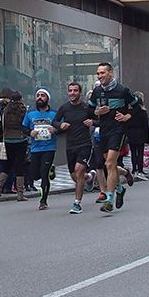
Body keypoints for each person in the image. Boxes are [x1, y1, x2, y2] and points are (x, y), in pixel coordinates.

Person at [88, 62, 138, 213]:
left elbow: (137, 107)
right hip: (103, 130)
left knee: (110, 163)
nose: (99, 76)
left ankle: (109, 199)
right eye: (98, 73)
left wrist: (127, 116)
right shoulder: (97, 91)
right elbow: (89, 111)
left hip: (118, 130)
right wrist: (97, 112)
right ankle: (120, 188)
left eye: (102, 73)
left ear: (111, 73)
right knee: (109, 165)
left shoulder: (122, 90)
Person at [52, 82, 94, 214]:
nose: (72, 93)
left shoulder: (86, 108)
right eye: (70, 91)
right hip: (70, 145)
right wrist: (61, 125)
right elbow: (54, 121)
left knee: (78, 170)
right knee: (74, 176)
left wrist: (93, 122)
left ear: (80, 92)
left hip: (85, 144)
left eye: (75, 90)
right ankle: (89, 177)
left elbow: (99, 120)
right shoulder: (64, 108)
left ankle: (77, 203)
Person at [22, 89, 57, 210]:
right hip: (35, 148)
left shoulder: (54, 114)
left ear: (47, 99)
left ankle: (43, 201)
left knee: (44, 173)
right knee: (35, 175)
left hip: (49, 148)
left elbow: (62, 127)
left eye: (43, 95)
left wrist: (55, 130)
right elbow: (23, 128)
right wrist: (30, 132)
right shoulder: (30, 114)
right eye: (38, 96)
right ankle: (51, 169)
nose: (40, 98)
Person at [2, 91, 29, 201]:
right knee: (19, 165)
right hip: (20, 139)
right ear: (21, 98)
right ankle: (20, 193)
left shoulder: (6, 109)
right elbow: (25, 124)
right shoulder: (22, 109)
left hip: (8, 139)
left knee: (8, 164)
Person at [0, 87, 15, 197]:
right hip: (6, 138)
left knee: (1, 163)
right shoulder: (6, 108)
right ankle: (7, 186)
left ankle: (1, 186)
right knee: (9, 163)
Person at [126, 91, 149, 181]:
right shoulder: (142, 112)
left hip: (131, 133)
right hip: (140, 133)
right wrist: (147, 137)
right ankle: (140, 170)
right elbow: (145, 126)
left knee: (133, 152)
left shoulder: (129, 112)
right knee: (140, 152)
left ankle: (134, 169)